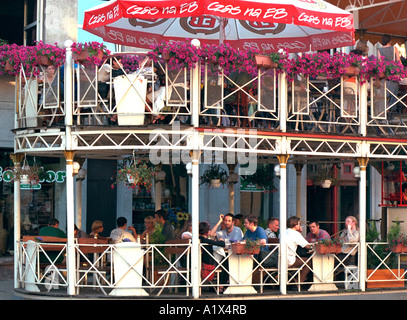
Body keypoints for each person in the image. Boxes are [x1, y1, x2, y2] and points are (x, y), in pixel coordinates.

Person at [199, 221, 227, 292]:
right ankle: (221, 286)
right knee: (226, 262)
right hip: (208, 263)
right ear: (207, 232)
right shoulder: (206, 240)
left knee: (224, 261)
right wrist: (221, 240)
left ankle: (219, 285)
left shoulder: (198, 239)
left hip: (201, 261)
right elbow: (222, 244)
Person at [285, 216, 313, 284]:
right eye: (299, 224)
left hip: (281, 258)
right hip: (289, 260)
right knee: (309, 262)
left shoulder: (283, 232)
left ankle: (293, 280)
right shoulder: (295, 234)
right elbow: (308, 246)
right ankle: (298, 282)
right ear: (295, 225)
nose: (300, 225)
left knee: (302, 260)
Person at [378, 34, 401, 109]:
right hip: (393, 75)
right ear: (390, 41)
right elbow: (398, 61)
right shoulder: (394, 48)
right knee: (394, 95)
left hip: (384, 76)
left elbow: (380, 62)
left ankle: (383, 112)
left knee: (383, 96)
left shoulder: (379, 50)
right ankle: (391, 111)